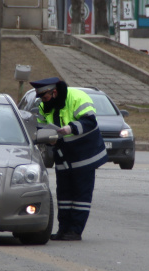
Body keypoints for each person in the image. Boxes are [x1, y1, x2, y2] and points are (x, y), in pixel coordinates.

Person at [30, 77, 108, 241]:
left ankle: (75, 231)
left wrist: (70, 128)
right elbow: (42, 126)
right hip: (63, 156)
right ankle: (63, 229)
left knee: (81, 194)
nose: (43, 102)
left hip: (84, 155)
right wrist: (48, 138)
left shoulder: (78, 97)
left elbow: (90, 121)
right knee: (64, 194)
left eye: (45, 97)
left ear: (54, 92)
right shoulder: (45, 106)